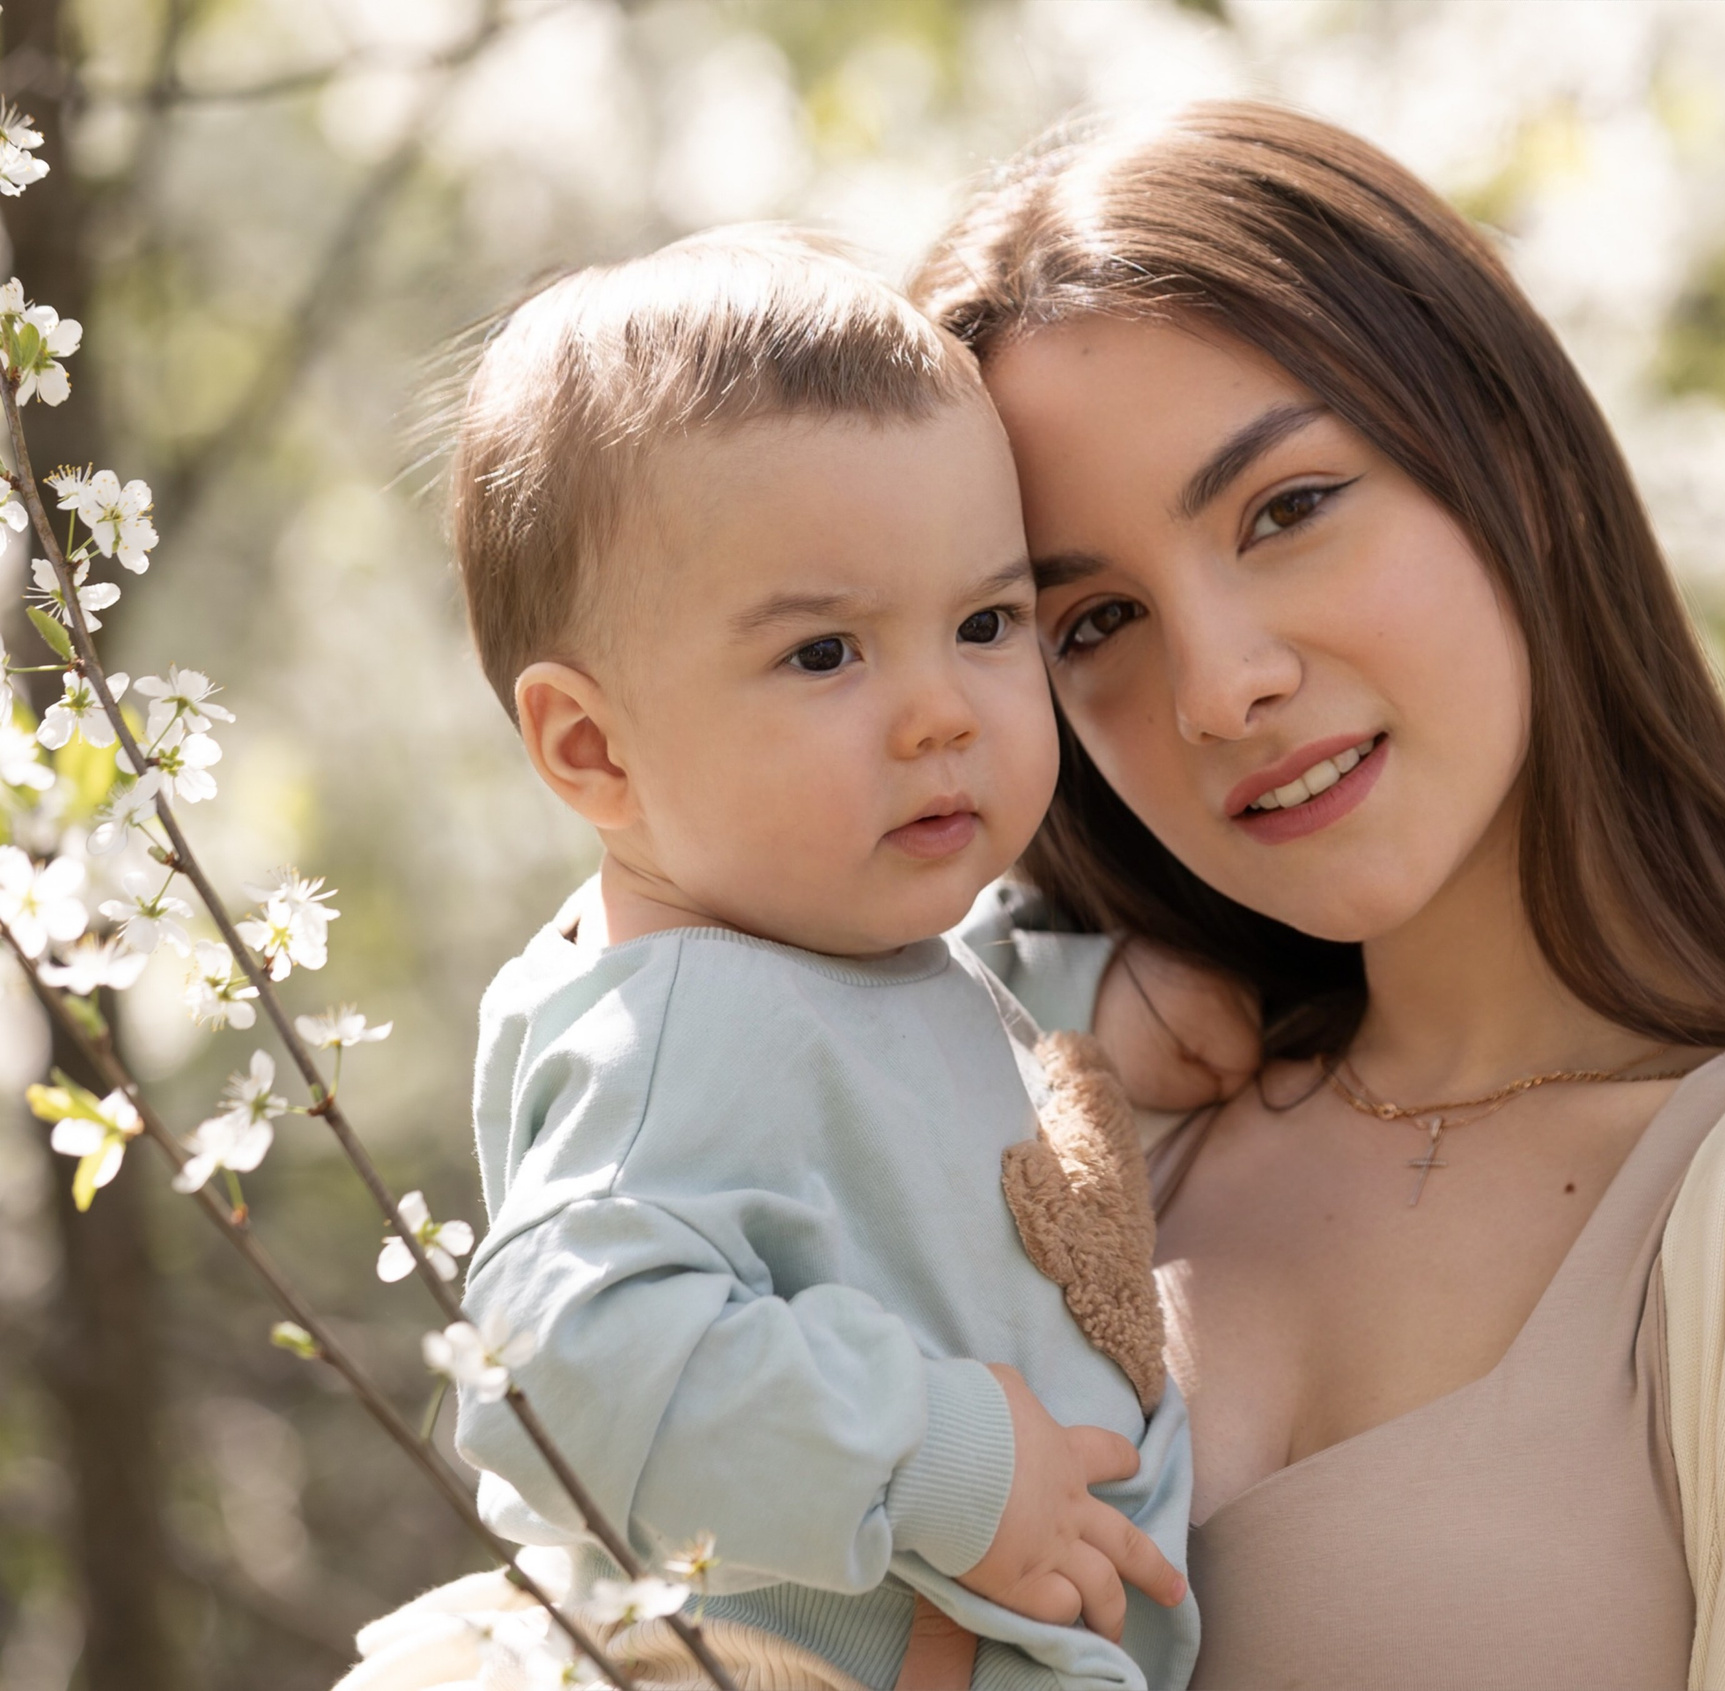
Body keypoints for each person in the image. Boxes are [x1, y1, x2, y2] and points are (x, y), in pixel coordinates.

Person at [918, 102, 1725, 1691]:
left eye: (1288, 509)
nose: (1222, 686)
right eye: (1093, 620)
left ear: (1517, 457)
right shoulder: (1050, 1144)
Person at [351, 227, 1198, 1691]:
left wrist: (1104, 999)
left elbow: (901, 1077)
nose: (942, 710)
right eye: (827, 654)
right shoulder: (678, 1023)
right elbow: (560, 1364)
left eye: (986, 623)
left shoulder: (816, 951)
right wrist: (934, 1458)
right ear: (592, 747)